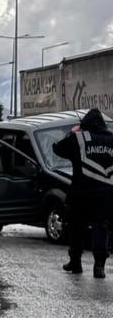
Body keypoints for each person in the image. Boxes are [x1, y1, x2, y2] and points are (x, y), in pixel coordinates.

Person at [51, 106, 113, 278]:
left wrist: (73, 132)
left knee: (76, 227)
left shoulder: (79, 138)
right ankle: (99, 266)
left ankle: (75, 263)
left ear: (85, 124)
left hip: (81, 193)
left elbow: (57, 148)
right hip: (105, 195)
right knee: (101, 228)